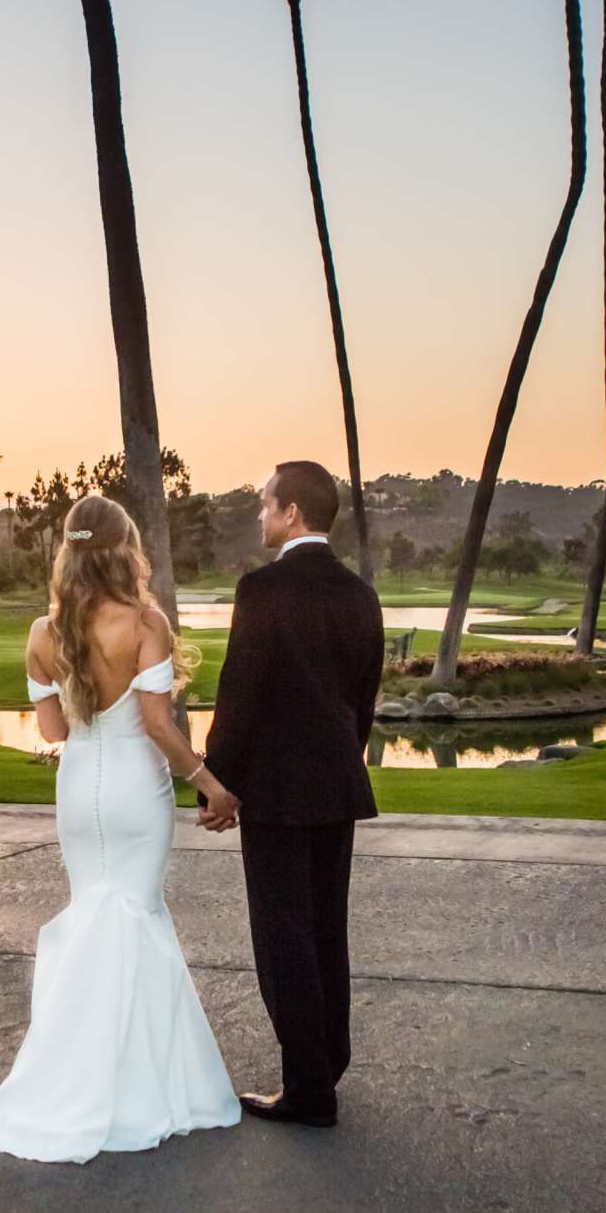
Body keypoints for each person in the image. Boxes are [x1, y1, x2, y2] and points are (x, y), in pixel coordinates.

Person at [0, 494, 243, 1162]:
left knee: (95, 911)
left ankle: (73, 1074)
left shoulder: (43, 632)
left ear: (67, 550)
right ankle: (137, 1086)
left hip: (78, 790)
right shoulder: (146, 623)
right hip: (132, 788)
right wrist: (210, 786)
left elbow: (55, 731)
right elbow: (156, 725)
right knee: (136, 917)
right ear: (127, 549)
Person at [201, 460, 384, 1128]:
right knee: (324, 929)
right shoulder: (361, 595)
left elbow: (239, 695)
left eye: (265, 504)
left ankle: (309, 1090)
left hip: (277, 792)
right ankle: (326, 1061)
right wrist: (342, 759)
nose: (260, 515)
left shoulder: (262, 589)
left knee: (284, 939)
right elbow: (363, 700)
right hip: (337, 786)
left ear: (293, 514)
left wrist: (218, 784)